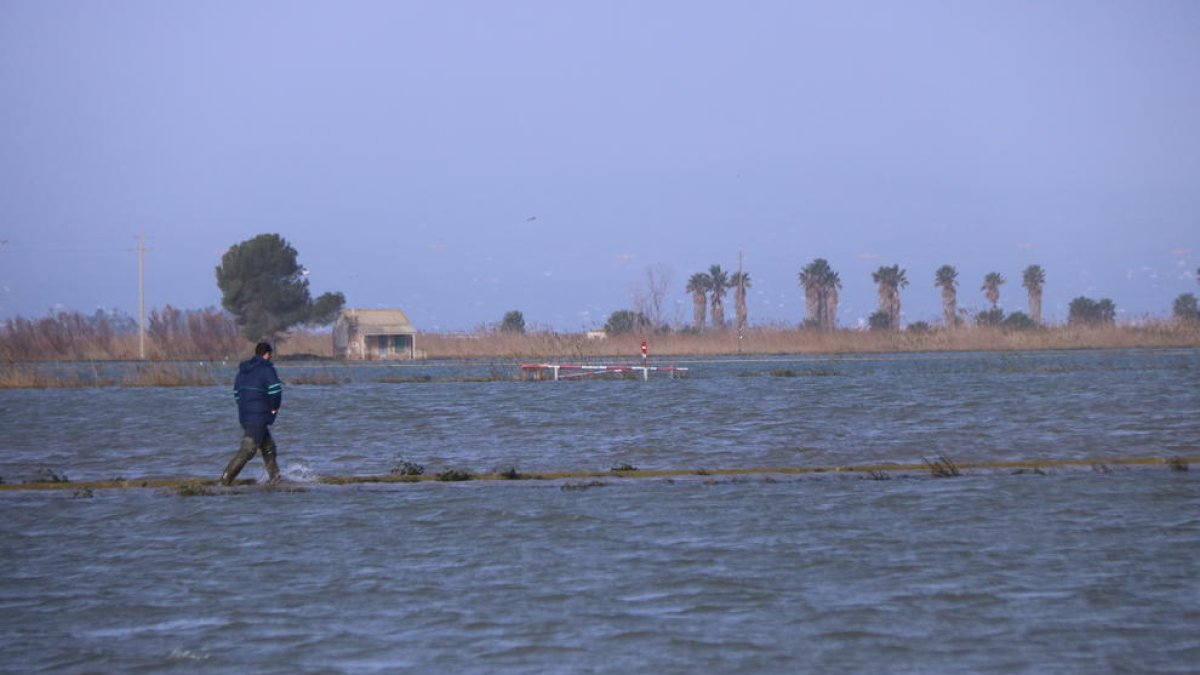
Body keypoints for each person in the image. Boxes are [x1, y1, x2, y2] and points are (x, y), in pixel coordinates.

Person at [221, 342, 283, 485]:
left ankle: (275, 479)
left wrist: (243, 406)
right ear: (267, 354)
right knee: (248, 449)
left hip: (245, 413)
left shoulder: (243, 370)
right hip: (259, 415)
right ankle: (224, 481)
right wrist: (274, 407)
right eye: (270, 354)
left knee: (268, 448)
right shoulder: (267, 369)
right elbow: (275, 390)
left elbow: (236, 392)